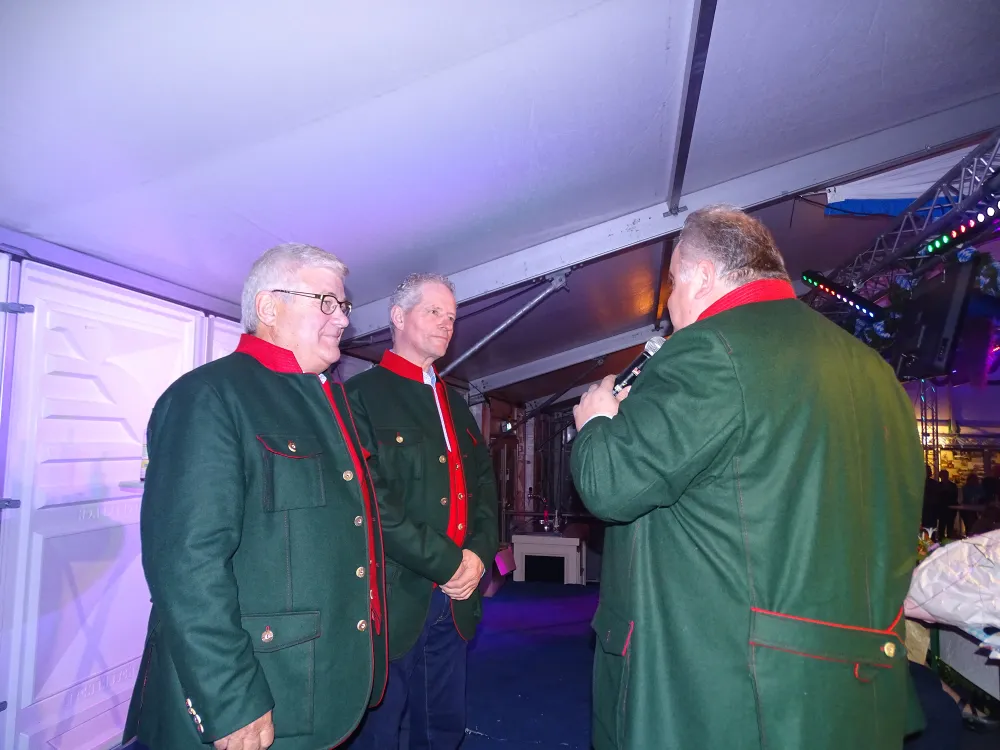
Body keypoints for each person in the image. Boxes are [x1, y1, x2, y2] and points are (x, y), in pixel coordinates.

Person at [570, 205, 925, 750]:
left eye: (672, 284)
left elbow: (610, 485)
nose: (669, 305)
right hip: (851, 686)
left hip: (733, 691)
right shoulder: (874, 370)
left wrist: (596, 423)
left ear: (702, 275)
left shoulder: (710, 349)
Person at [122, 243, 388, 750]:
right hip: (260, 684)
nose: (342, 319)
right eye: (326, 302)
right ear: (268, 307)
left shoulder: (330, 400)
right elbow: (188, 565)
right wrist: (230, 698)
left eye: (343, 306)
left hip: (317, 677)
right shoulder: (208, 397)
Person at [346, 273, 499, 749]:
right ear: (397, 316)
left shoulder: (455, 402)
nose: (446, 324)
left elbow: (484, 487)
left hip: (456, 596)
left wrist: (478, 557)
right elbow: (373, 503)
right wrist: (449, 563)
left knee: (443, 725)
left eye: (451, 316)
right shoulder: (360, 397)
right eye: (434, 312)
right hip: (394, 598)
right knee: (378, 731)